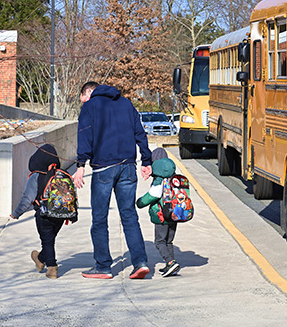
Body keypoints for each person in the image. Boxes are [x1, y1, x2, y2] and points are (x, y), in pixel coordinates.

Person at [72, 81, 153, 279]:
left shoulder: (90, 107)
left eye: (84, 99)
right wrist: (146, 160)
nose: (84, 102)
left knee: (99, 219)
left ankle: (103, 266)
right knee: (129, 216)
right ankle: (140, 262)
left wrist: (80, 166)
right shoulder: (126, 104)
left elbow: (85, 136)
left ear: (89, 92)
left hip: (104, 170)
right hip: (128, 168)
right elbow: (139, 133)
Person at [10, 144, 65, 279]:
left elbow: (27, 199)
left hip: (44, 213)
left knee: (47, 241)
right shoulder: (61, 175)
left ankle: (52, 267)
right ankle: (40, 259)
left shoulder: (36, 176)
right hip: (62, 214)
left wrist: (16, 213)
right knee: (49, 239)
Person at [137, 148, 181, 277]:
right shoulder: (173, 177)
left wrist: (140, 202)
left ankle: (170, 262)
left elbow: (153, 195)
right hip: (174, 214)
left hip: (161, 216)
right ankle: (171, 265)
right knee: (169, 241)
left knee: (160, 241)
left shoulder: (159, 179)